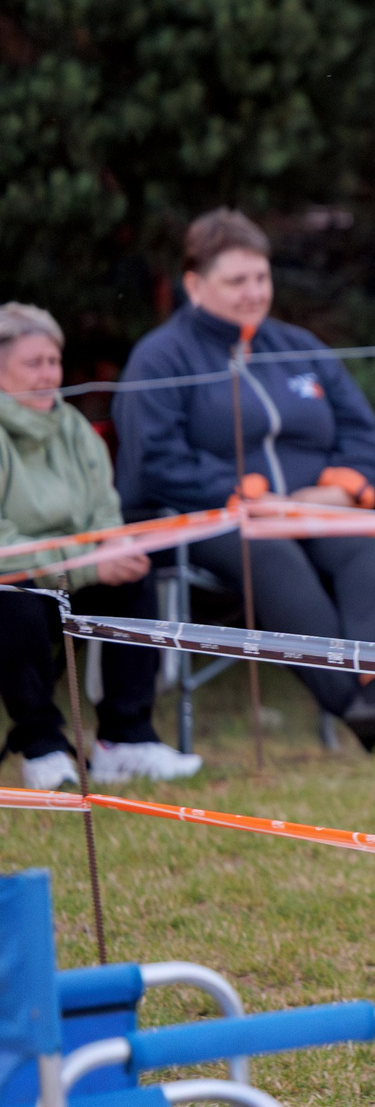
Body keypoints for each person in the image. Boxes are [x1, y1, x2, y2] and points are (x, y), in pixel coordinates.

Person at [111, 210, 375, 752]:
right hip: (207, 519)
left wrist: (342, 489)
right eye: (236, 281)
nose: (253, 292)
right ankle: (357, 706)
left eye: (261, 278)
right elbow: (156, 460)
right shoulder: (160, 358)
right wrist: (255, 499)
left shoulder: (300, 347)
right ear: (194, 285)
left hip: (316, 511)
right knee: (268, 552)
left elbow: (364, 434)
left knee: (368, 531)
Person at [0, 305, 202, 788]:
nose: (49, 374)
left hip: (72, 574)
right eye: (34, 363)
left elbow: (104, 517)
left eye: (54, 360)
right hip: (18, 584)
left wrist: (114, 550)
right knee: (14, 596)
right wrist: (86, 564)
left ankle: (125, 739)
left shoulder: (76, 431)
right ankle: (42, 747)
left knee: (135, 569)